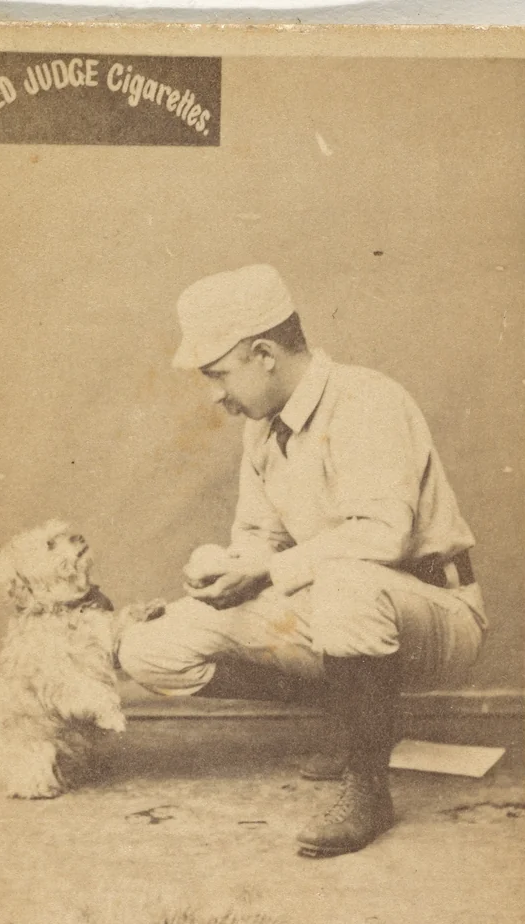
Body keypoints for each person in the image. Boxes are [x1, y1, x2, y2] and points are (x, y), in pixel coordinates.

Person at [118, 264, 487, 857]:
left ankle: (368, 787)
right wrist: (227, 568)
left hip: (433, 616)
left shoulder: (367, 400)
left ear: (264, 353)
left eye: (219, 373)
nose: (216, 393)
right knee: (149, 647)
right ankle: (360, 717)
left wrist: (266, 571)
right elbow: (261, 536)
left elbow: (381, 536)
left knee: (347, 584)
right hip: (338, 616)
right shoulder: (262, 430)